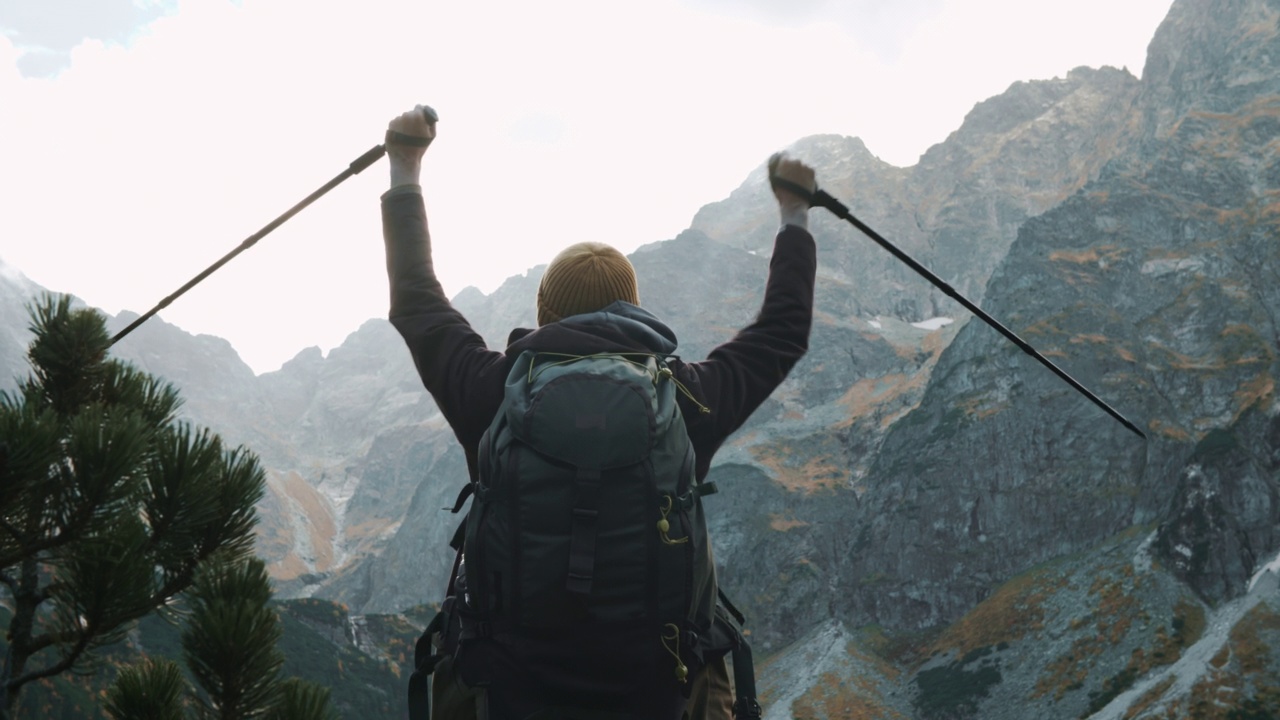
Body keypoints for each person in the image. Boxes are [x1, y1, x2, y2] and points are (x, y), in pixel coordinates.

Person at [382, 105, 818, 720]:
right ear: (633, 310)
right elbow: (781, 333)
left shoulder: (493, 391)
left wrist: (405, 165)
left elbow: (417, 303)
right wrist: (794, 213)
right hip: (660, 694)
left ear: (544, 314)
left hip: (509, 693)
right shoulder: (687, 398)